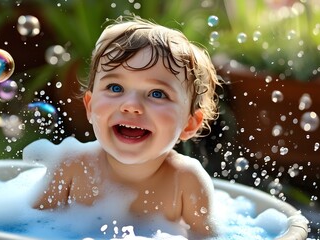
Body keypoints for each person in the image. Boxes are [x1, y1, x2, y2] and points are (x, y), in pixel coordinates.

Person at [23, 15, 221, 239]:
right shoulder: (72, 164)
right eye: (115, 87)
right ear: (90, 106)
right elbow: (28, 227)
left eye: (157, 93)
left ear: (189, 124)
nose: (131, 106)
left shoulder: (187, 180)